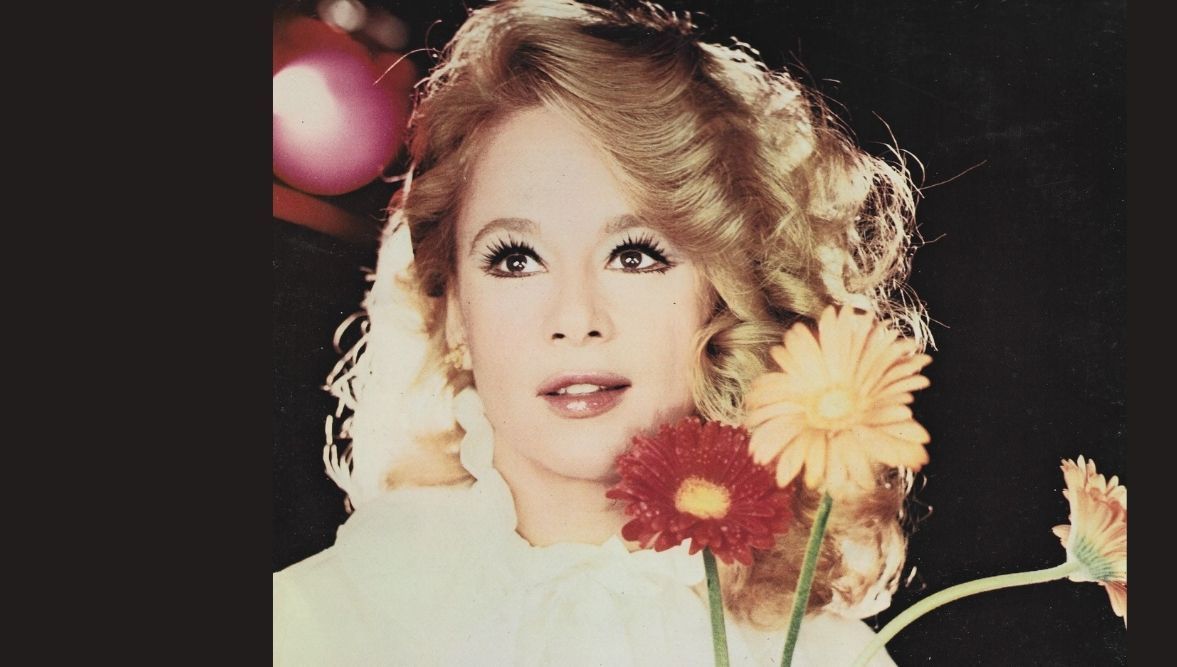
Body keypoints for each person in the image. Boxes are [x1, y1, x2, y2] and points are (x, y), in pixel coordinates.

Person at [273, 1, 931, 664]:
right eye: (516, 259)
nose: (576, 318)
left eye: (635, 255)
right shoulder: (306, 627)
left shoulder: (829, 657)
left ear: (724, 293)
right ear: (453, 314)